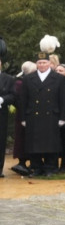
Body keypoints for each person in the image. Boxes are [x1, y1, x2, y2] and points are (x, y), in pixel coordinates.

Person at [19, 36, 65, 177]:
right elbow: (23, 99)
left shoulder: (59, 78)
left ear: (49, 63)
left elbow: (63, 99)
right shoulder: (28, 79)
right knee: (34, 143)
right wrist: (23, 117)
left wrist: (63, 116)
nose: (42, 65)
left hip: (52, 115)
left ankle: (50, 168)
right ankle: (36, 167)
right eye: (39, 62)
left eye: (44, 62)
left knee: (51, 142)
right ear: (36, 64)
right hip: (33, 115)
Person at [0, 41, 14, 177]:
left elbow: (13, 95)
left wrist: (2, 99)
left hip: (1, 114)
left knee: (0, 142)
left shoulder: (8, 79)